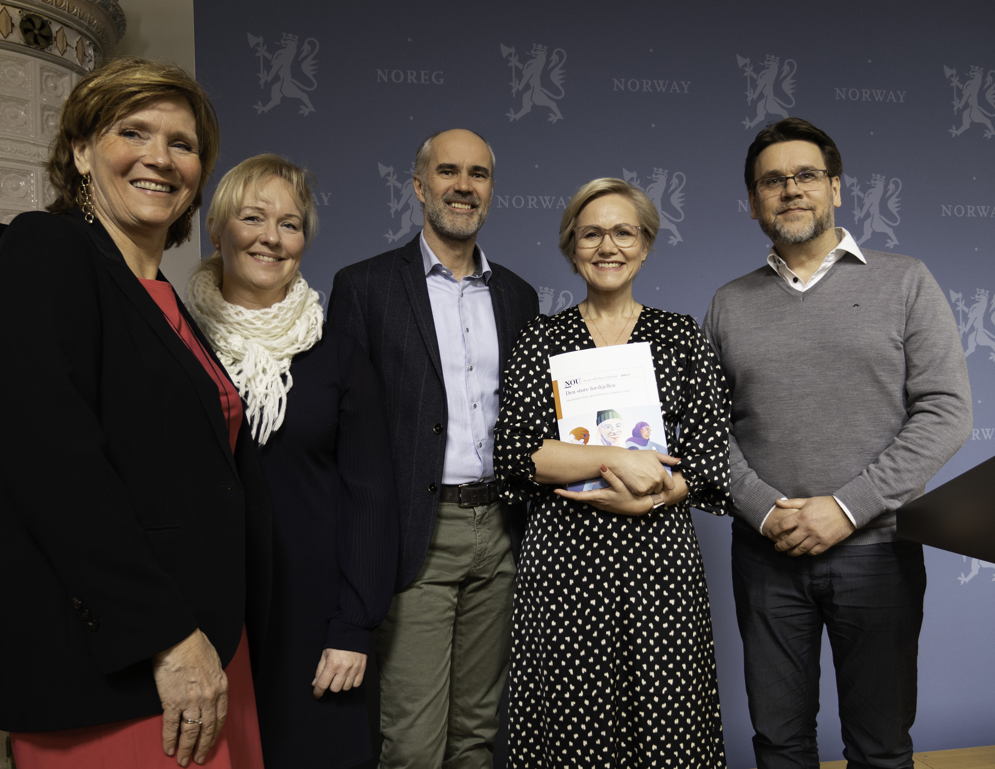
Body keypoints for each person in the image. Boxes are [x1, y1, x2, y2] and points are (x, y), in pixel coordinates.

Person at [0, 58, 272, 769]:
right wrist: (166, 636)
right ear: (80, 151)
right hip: (129, 666)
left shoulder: (162, 295)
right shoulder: (43, 251)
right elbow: (55, 468)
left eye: (183, 143)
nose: (160, 158)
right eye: (133, 132)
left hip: (212, 652)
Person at [703, 117, 972, 769]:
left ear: (836, 187)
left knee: (879, 747)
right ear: (753, 201)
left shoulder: (906, 281)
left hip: (876, 552)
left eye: (805, 175)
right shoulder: (728, 304)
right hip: (765, 556)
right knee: (780, 744)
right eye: (772, 180)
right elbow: (706, 430)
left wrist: (845, 507)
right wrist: (768, 509)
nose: (790, 189)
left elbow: (947, 411)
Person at [495, 177, 730, 767]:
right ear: (572, 248)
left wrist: (650, 499)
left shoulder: (681, 337)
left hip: (661, 563)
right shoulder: (540, 339)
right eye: (591, 233)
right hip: (566, 565)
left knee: (668, 719)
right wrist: (611, 460)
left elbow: (708, 453)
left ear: (646, 245)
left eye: (623, 232)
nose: (608, 246)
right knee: (577, 723)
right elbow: (517, 453)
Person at [329, 128, 538, 768]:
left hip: (501, 530)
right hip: (416, 533)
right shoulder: (364, 287)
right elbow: (344, 431)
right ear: (419, 186)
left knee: (476, 734)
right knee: (414, 740)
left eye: (478, 174)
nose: (463, 185)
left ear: (491, 191)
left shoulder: (518, 296)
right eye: (448, 171)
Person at [186, 154, 399, 769]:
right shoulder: (175, 340)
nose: (271, 238)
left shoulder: (339, 355)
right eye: (253, 218)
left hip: (314, 622)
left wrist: (353, 628)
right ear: (217, 228)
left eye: (290, 223)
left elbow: (371, 500)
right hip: (203, 619)